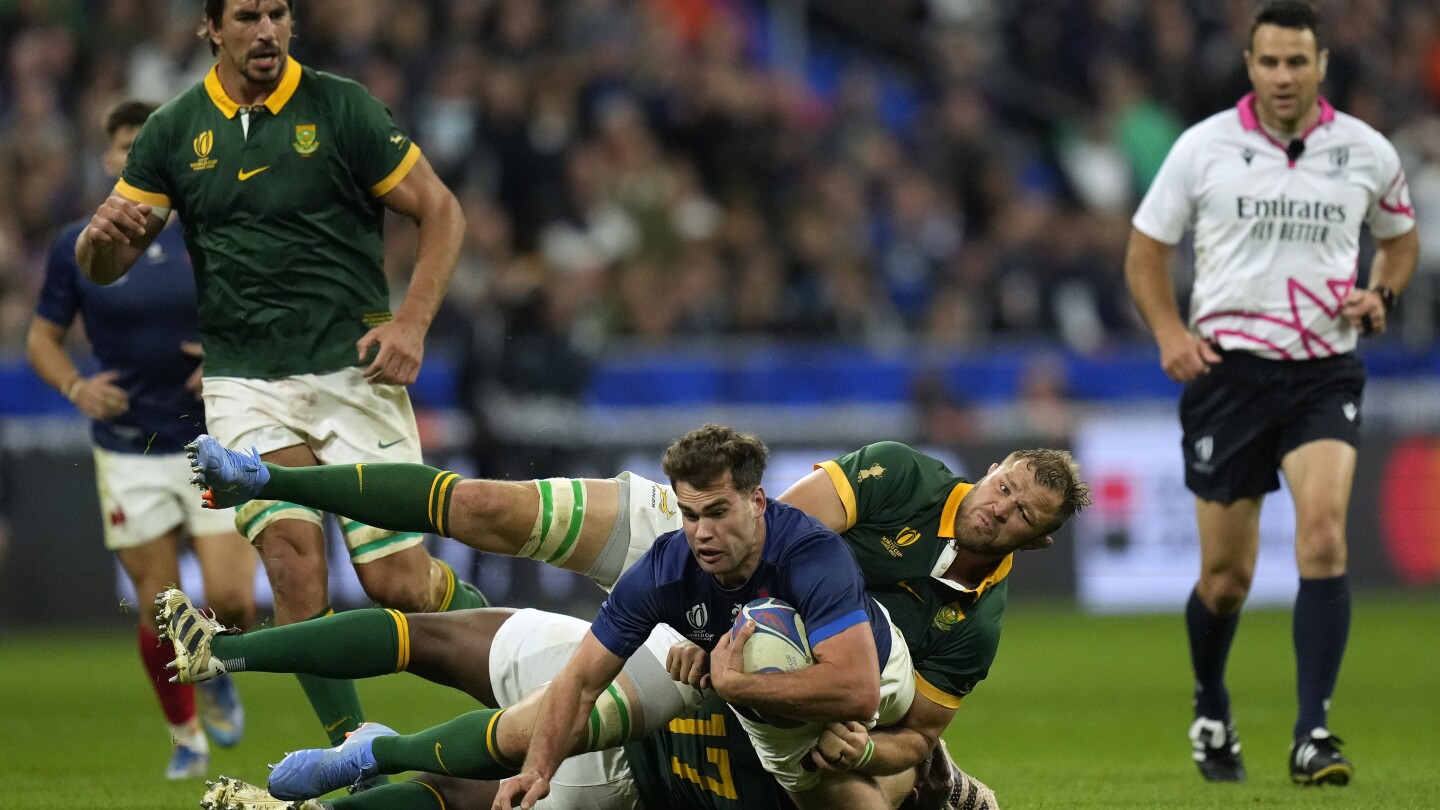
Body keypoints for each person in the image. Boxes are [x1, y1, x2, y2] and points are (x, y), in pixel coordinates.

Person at [183, 431, 1087, 799]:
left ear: (1037, 541)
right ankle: (271, 479)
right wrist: (720, 635)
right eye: (1003, 484)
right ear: (995, 465)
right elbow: (791, 523)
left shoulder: (977, 625)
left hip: (765, 652)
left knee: (550, 725)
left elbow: (915, 732)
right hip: (723, 552)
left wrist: (871, 746)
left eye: (1020, 514)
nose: (997, 506)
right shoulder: (912, 475)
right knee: (492, 508)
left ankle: (369, 752)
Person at [73, 0, 485, 749]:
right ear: (211, 27)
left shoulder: (342, 107)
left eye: (277, 13)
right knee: (294, 573)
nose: (265, 29)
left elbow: (442, 210)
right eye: (246, 15)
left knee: (397, 585)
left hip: (353, 375)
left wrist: (412, 321)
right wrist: (97, 246)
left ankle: (508, 659)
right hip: (242, 384)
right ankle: (352, 755)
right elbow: (108, 263)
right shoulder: (173, 129)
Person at [1123, 0, 1419, 787]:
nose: (1283, 76)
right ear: (1250, 66)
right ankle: (1211, 702)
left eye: (1297, 61)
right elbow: (1145, 251)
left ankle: (1312, 732)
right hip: (1230, 374)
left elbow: (1400, 238)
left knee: (1323, 536)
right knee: (1228, 578)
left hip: (1325, 368)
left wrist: (1382, 296)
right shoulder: (1203, 148)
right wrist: (1169, 336)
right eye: (1269, 62)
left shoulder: (1366, 151)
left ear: (1322, 65)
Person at [26, 98, 255, 780]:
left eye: (147, 146)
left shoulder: (212, 232)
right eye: (125, 145)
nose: (135, 157)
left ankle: (212, 668)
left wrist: (227, 359)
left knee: (235, 601)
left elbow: (260, 317)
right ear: (109, 157)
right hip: (127, 444)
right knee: (161, 608)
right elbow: (42, 337)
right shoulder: (79, 243)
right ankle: (186, 733)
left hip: (211, 440)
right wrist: (75, 387)